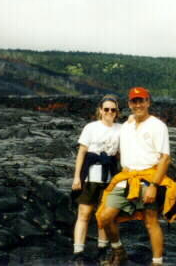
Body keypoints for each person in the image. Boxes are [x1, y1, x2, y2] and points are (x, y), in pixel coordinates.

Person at [96, 87, 176, 266]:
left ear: (148, 102)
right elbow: (107, 130)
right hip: (126, 177)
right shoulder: (127, 125)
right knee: (105, 217)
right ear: (129, 104)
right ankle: (119, 251)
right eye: (134, 101)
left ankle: (157, 262)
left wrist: (154, 186)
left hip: (149, 178)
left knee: (150, 222)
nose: (138, 104)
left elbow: (165, 158)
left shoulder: (158, 126)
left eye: (142, 100)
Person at [71, 94, 122, 264]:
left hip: (110, 178)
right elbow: (82, 153)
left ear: (117, 112)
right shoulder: (91, 127)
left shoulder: (122, 129)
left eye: (113, 110)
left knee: (104, 216)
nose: (109, 112)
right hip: (90, 176)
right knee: (84, 214)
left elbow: (123, 153)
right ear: (100, 110)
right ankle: (78, 253)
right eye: (106, 109)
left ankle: (102, 251)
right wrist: (77, 177)